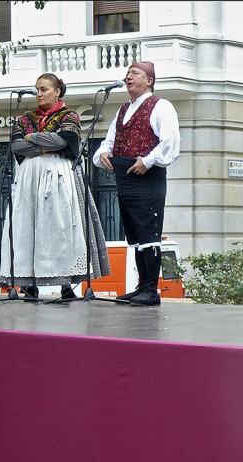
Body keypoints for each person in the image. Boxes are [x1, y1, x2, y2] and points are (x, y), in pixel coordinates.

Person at [1, 72, 110, 299]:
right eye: (37, 89)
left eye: (44, 89)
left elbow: (64, 141)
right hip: (29, 178)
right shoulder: (25, 118)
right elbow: (16, 147)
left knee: (60, 227)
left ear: (57, 91)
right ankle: (28, 283)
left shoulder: (69, 115)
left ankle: (66, 285)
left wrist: (32, 138)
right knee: (27, 227)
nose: (39, 94)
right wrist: (43, 144)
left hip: (59, 174)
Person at [92, 61, 180, 306]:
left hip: (148, 179)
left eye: (134, 73)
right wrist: (102, 154)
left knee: (149, 233)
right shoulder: (122, 110)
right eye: (127, 73)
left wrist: (149, 160)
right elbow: (108, 142)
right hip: (125, 179)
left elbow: (170, 143)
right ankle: (142, 286)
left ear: (149, 80)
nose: (128, 76)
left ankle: (151, 290)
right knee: (136, 236)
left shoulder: (161, 106)